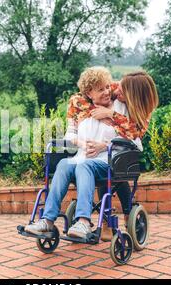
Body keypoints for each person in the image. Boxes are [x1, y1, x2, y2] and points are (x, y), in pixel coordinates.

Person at [25, 68, 159, 240]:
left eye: (110, 88)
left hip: (109, 159)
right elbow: (73, 120)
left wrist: (108, 125)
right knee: (64, 164)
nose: (112, 91)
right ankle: (47, 221)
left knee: (85, 166)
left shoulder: (125, 108)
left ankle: (83, 221)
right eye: (103, 89)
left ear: (131, 97)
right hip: (84, 157)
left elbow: (134, 136)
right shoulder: (84, 105)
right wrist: (85, 139)